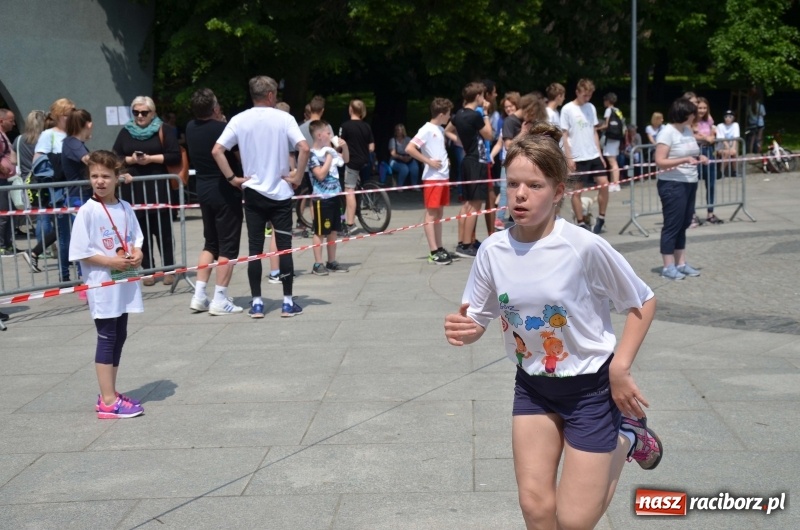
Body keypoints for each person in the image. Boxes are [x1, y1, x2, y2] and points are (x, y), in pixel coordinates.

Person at [444, 122, 662, 530]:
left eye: (535, 185)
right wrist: (468, 329)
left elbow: (643, 301)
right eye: (513, 184)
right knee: (537, 510)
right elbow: (481, 313)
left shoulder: (583, 247)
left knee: (574, 522)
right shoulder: (492, 249)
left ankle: (626, 437)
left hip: (591, 389)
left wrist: (620, 368)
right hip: (534, 386)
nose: (520, 195)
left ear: (560, 191)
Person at [212, 75, 309, 319]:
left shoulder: (239, 119)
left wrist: (232, 178)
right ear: (269, 95)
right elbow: (304, 147)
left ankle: (257, 303)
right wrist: (297, 176)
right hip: (280, 193)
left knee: (255, 249)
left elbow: (217, 150)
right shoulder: (284, 118)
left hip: (253, 192)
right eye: (275, 94)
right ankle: (287, 302)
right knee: (284, 249)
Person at [68, 150, 145, 419]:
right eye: (94, 176)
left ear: (117, 177)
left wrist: (137, 252)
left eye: (105, 176)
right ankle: (108, 402)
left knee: (120, 334)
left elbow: (136, 237)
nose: (99, 181)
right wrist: (110, 262)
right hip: (102, 283)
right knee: (107, 336)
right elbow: (80, 250)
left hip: (123, 280)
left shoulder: (124, 207)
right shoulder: (88, 211)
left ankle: (109, 392)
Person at [185, 88, 244, 316]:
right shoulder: (223, 129)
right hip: (224, 188)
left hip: (203, 187)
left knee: (210, 242)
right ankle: (220, 298)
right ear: (215, 108)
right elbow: (240, 156)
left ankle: (199, 295)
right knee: (228, 246)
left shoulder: (190, 127)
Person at [113, 96, 180, 287]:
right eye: (136, 112)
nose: (140, 116)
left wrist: (150, 158)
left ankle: (169, 269)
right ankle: (148, 269)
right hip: (133, 190)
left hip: (158, 188)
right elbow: (115, 156)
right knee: (141, 232)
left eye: (144, 112)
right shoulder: (126, 131)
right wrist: (131, 160)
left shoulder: (163, 129)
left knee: (163, 230)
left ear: (153, 112)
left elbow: (174, 155)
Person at [655, 97, 707, 280]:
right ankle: (668, 266)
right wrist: (684, 160)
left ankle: (681, 263)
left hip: (690, 182)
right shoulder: (667, 132)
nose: (696, 116)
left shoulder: (687, 130)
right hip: (672, 184)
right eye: (693, 113)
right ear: (685, 114)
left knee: (684, 223)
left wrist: (700, 158)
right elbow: (660, 161)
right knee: (672, 224)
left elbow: (692, 152)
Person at [25, 98, 76, 281]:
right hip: (60, 191)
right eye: (68, 113)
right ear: (58, 116)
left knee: (76, 231)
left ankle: (80, 272)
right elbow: (38, 162)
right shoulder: (49, 135)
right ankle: (65, 276)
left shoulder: (74, 133)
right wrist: (52, 178)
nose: (72, 116)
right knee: (63, 234)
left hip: (75, 188)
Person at [406, 97, 456, 265]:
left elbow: (436, 149)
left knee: (439, 213)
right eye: (448, 114)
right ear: (441, 114)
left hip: (442, 176)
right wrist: (428, 161)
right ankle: (433, 250)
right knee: (432, 213)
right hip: (433, 178)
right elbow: (410, 148)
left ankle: (439, 247)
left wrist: (444, 159)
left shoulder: (439, 130)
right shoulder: (427, 129)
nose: (449, 117)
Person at [446, 82, 493, 258]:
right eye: (482, 95)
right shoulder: (475, 116)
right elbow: (489, 134)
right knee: (475, 204)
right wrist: (486, 114)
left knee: (467, 203)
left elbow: (447, 130)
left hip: (467, 159)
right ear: (478, 96)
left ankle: (462, 241)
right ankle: (467, 245)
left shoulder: (458, 115)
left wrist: (460, 141)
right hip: (476, 161)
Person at [560, 79, 609, 234]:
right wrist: (568, 157)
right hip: (577, 155)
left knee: (604, 184)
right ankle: (581, 222)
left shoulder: (591, 107)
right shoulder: (568, 109)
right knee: (577, 191)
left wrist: (600, 154)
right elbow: (564, 134)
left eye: (589, 95)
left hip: (592, 153)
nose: (587, 98)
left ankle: (601, 217)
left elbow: (594, 131)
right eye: (584, 95)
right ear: (577, 92)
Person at [307, 119, 349, 275]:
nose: (330, 135)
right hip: (321, 199)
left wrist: (344, 148)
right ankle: (317, 264)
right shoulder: (312, 155)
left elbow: (346, 160)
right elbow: (320, 174)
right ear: (319, 135)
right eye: (327, 132)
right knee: (320, 231)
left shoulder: (329, 150)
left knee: (333, 230)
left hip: (334, 196)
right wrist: (330, 156)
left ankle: (331, 261)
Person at [339, 99, 374, 236]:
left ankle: (350, 223)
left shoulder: (346, 126)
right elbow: (371, 147)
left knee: (349, 190)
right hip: (365, 160)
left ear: (351, 110)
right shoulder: (366, 126)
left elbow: (340, 143)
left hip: (352, 161)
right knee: (357, 186)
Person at [694, 97, 721, 224]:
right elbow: (691, 134)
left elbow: (713, 132)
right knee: (693, 184)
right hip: (696, 152)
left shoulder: (708, 119)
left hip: (708, 151)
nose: (702, 110)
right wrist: (705, 137)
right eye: (700, 108)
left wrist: (712, 135)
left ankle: (710, 212)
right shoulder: (691, 120)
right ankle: (692, 213)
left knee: (710, 183)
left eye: (704, 108)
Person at [598, 93, 623, 193]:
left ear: (608, 101)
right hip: (617, 138)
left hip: (611, 138)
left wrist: (596, 128)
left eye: (605, 100)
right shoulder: (618, 110)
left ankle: (616, 184)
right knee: (614, 160)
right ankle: (614, 183)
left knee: (612, 162)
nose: (604, 102)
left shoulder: (608, 110)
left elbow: (606, 125)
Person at [0, 108, 17, 255]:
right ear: (1, 121)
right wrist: (2, 168)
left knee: (8, 213)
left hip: (6, 180)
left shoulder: (3, 135)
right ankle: (2, 245)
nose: (13, 123)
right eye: (11, 121)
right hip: (1, 180)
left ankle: (8, 243)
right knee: (3, 213)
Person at [388, 124, 420, 190]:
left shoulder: (408, 139)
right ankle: (400, 186)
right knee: (404, 169)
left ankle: (414, 186)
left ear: (403, 131)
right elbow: (393, 153)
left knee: (415, 168)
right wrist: (401, 157)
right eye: (396, 130)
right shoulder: (393, 140)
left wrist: (410, 157)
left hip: (408, 158)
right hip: (396, 159)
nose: (398, 131)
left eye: (399, 130)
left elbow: (413, 150)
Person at [716, 109, 740, 177]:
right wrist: (729, 148)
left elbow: (736, 138)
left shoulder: (735, 125)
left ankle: (735, 171)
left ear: (733, 118)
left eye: (730, 117)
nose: (728, 118)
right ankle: (721, 172)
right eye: (726, 117)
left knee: (734, 153)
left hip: (732, 146)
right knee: (727, 153)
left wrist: (733, 148)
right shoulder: (720, 126)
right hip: (721, 147)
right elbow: (722, 139)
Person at [746, 86, 766, 154]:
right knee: (759, 138)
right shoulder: (760, 106)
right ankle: (759, 151)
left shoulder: (749, 106)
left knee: (752, 138)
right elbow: (763, 114)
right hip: (760, 124)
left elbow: (748, 115)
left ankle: (750, 152)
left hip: (752, 124)